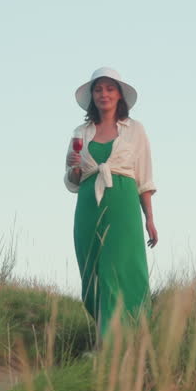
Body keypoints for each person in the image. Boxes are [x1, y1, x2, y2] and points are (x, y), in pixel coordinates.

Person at [64, 67, 157, 340]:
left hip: (123, 204)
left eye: (109, 89)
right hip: (88, 205)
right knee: (93, 268)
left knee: (124, 268)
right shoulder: (81, 132)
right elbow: (73, 180)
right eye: (98, 89)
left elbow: (144, 178)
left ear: (119, 94)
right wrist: (74, 167)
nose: (103, 94)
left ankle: (126, 339)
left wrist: (149, 218)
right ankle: (106, 334)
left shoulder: (135, 130)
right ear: (92, 96)